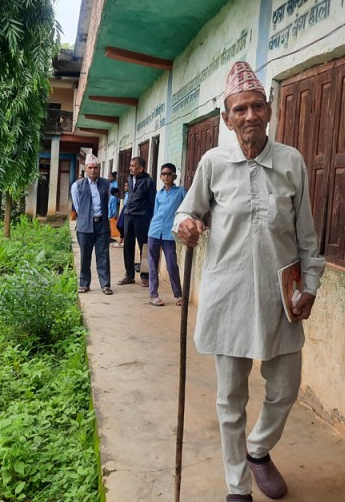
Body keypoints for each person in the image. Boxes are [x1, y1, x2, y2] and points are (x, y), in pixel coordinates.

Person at [174, 61, 324, 502]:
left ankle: (257, 449)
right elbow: (187, 211)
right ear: (227, 118)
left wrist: (311, 284)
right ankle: (237, 486)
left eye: (257, 106)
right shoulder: (213, 163)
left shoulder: (291, 162)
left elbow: (307, 235)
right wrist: (185, 225)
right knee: (230, 399)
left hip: (281, 297)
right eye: (240, 109)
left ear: (269, 110)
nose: (250, 115)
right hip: (229, 297)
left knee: (285, 389)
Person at [71, 154, 113, 295]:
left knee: (103, 255)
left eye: (95, 167)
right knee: (85, 256)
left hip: (102, 225)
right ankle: (84, 284)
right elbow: (77, 206)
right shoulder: (77, 185)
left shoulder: (106, 184)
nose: (93, 170)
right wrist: (86, 217)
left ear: (99, 168)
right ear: (85, 169)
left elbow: (108, 202)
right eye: (90, 167)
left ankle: (105, 285)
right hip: (85, 226)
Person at [147, 163, 186, 307]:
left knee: (171, 264)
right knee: (152, 264)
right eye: (163, 174)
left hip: (169, 234)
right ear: (160, 176)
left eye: (169, 174)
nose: (166, 176)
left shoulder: (181, 192)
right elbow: (156, 212)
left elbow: (188, 208)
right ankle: (153, 295)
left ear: (174, 176)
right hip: (154, 231)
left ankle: (179, 295)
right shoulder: (159, 193)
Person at [118, 157, 155, 287]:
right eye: (130, 165)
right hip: (129, 215)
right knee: (127, 246)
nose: (130, 168)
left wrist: (151, 219)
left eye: (133, 166)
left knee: (144, 246)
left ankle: (145, 276)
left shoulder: (149, 182)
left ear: (141, 168)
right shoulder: (129, 178)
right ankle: (129, 275)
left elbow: (152, 202)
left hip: (142, 217)